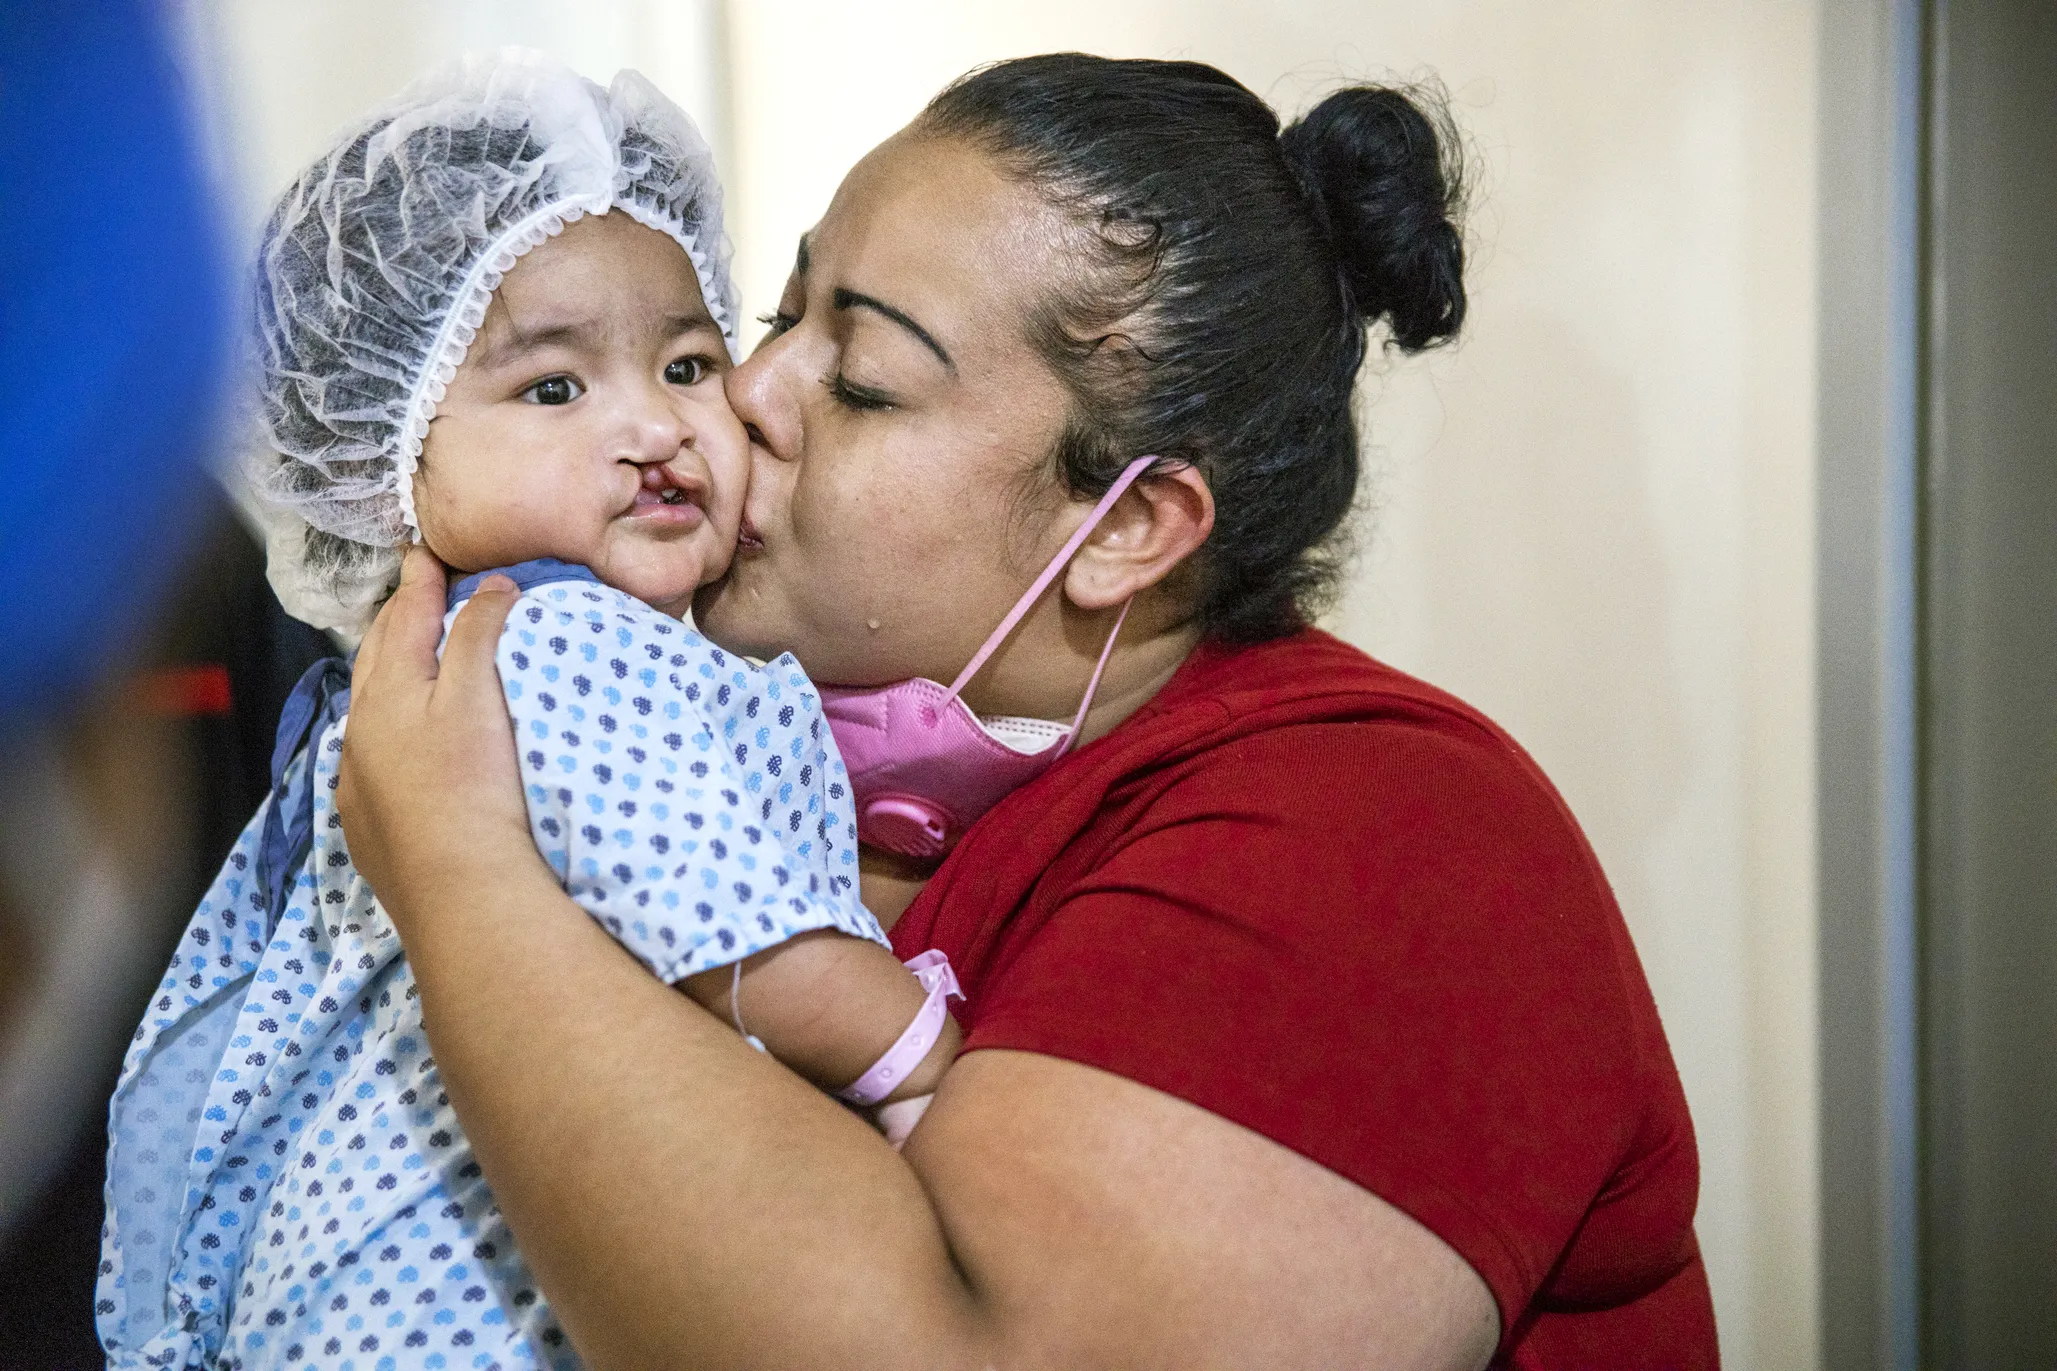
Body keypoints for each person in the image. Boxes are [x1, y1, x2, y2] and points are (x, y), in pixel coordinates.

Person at [336, 53, 1720, 1370]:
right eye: (777, 313)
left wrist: (463, 878)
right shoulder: (724, 732)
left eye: (862, 377)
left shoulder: (1388, 831)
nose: (746, 392)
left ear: (1129, 530)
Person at [97, 52, 964, 1371]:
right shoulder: (551, 640)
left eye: (687, 363)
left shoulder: (447, 665)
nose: (654, 427)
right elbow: (752, 945)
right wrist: (923, 1061)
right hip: (460, 1298)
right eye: (553, 389)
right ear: (388, 461)